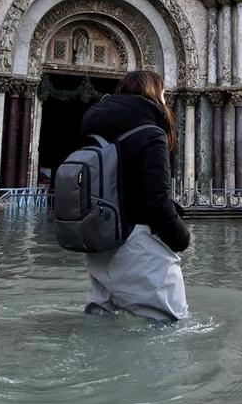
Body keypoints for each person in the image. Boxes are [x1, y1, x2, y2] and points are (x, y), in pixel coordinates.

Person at [79, 70, 190, 323]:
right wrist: (181, 237)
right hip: (139, 244)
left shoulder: (95, 129)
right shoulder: (151, 134)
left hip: (99, 244)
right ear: (152, 94)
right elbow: (156, 200)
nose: (165, 99)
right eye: (163, 93)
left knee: (99, 325)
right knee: (170, 328)